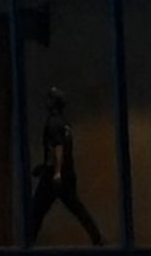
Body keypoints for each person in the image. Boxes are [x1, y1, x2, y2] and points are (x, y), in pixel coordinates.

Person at [27, 89, 105, 246]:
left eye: (49, 99)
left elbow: (58, 147)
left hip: (53, 176)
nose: (46, 102)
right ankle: (97, 237)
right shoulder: (64, 124)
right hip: (67, 173)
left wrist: (56, 172)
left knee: (37, 210)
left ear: (53, 103)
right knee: (75, 206)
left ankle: (28, 243)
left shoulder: (53, 123)